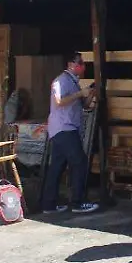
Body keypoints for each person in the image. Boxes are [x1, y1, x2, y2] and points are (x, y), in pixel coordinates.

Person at [41, 52, 99, 214]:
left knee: (57, 166)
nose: (83, 66)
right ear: (71, 64)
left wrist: (91, 93)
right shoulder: (61, 81)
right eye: (80, 63)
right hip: (64, 129)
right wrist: (80, 94)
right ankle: (77, 202)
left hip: (66, 128)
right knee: (79, 162)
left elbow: (84, 106)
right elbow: (59, 101)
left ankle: (49, 204)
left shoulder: (74, 83)